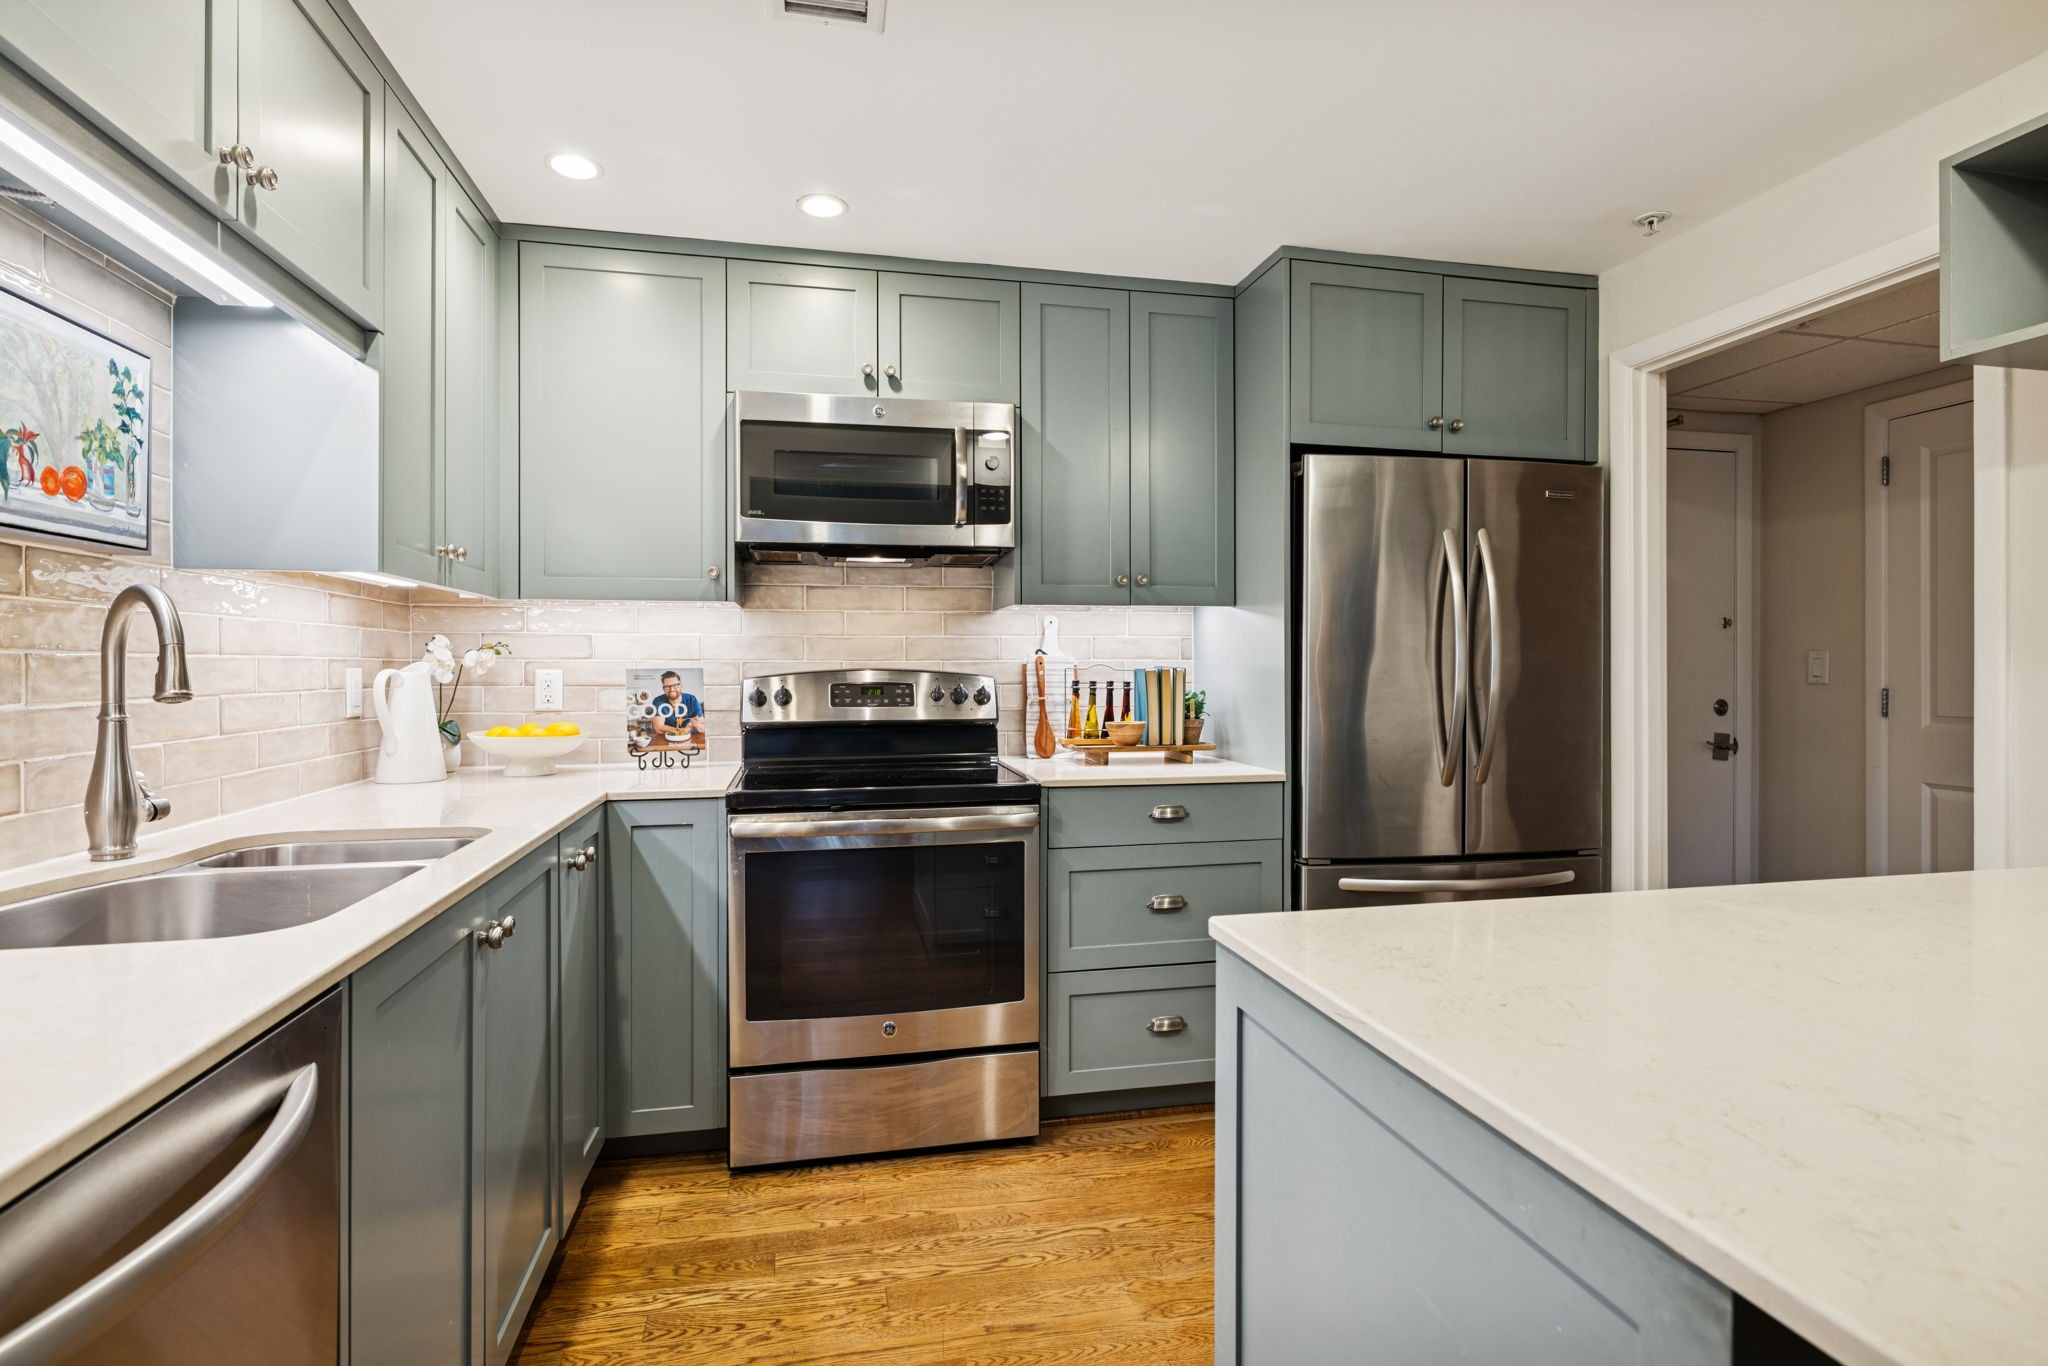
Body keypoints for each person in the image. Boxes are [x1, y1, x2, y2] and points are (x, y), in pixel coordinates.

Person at [649, 670, 706, 751]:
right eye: (667, 686)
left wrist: (696, 723)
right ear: (663, 688)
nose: (671, 689)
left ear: (681, 685)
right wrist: (684, 730)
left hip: (692, 739)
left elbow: (702, 725)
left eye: (675, 685)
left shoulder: (691, 699)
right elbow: (659, 728)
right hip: (668, 740)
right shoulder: (658, 701)